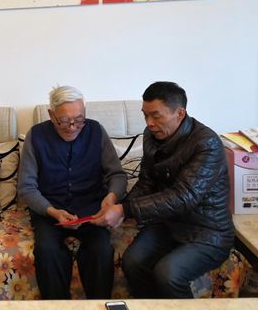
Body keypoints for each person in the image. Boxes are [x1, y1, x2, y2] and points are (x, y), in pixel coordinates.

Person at [92, 81, 234, 298]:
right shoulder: (152, 136)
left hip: (206, 231)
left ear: (180, 113)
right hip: (167, 224)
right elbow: (147, 182)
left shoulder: (207, 143)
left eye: (156, 116)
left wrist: (125, 210)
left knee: (169, 273)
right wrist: (119, 207)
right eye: (145, 115)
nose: (149, 123)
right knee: (132, 262)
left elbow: (184, 196)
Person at [18, 85, 127, 299]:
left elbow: (117, 175)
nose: (73, 127)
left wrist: (111, 197)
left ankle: (98, 305)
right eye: (64, 121)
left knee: (100, 251)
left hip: (92, 210)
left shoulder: (96, 131)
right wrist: (52, 211)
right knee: (47, 251)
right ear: (51, 115)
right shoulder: (36, 135)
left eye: (79, 119)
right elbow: (26, 187)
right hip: (49, 211)